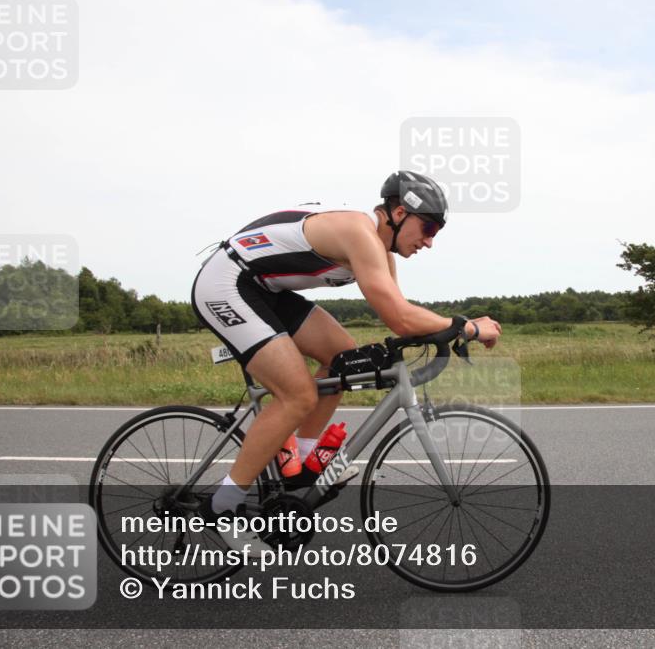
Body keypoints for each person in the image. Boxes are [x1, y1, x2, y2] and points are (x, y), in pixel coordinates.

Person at [191, 170, 502, 551]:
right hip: (227, 283)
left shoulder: (382, 253)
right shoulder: (359, 233)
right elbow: (399, 318)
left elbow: (402, 314)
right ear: (400, 212)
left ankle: (300, 471)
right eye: (429, 227)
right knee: (298, 395)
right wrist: (466, 327)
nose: (430, 241)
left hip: (265, 289)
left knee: (342, 357)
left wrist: (441, 331)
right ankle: (222, 505)